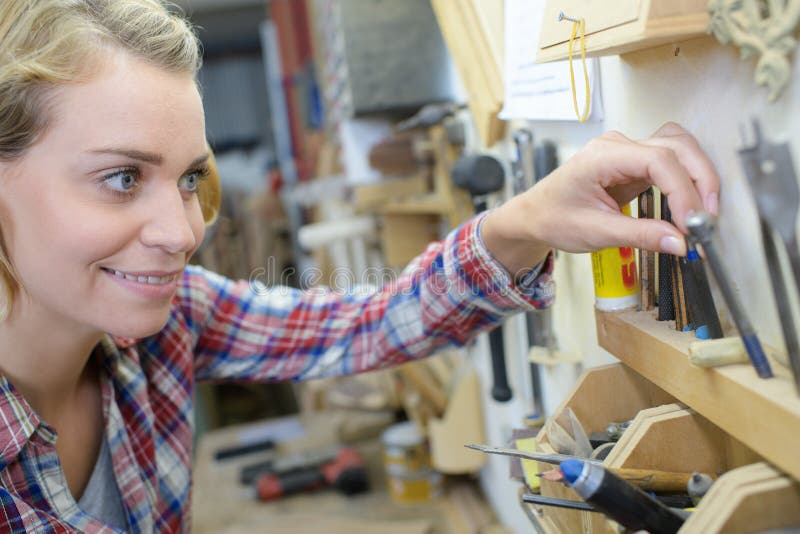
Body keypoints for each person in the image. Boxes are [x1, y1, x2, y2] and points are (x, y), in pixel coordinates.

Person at [0, 1, 719, 532]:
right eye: (123, 178)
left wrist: (525, 221)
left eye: (189, 179)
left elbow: (364, 327)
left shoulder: (168, 322)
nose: (182, 230)